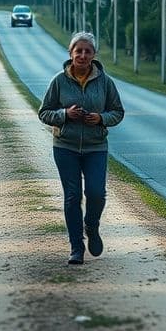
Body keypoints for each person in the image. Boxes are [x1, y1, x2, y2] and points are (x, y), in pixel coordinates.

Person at [38, 31, 125, 264]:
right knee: (72, 196)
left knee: (96, 192)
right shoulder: (59, 81)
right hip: (65, 146)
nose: (83, 55)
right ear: (71, 53)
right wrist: (65, 114)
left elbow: (118, 112)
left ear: (94, 55)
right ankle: (76, 247)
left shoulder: (105, 82)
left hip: (96, 147)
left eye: (87, 51)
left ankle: (92, 225)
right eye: (79, 51)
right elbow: (44, 112)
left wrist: (100, 119)